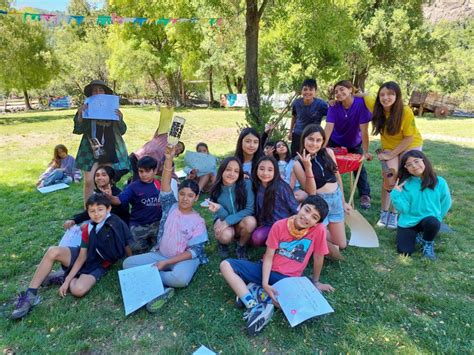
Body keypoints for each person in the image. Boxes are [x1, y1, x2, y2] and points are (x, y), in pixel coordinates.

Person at [220, 195, 334, 336]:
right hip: (265, 270)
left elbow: (318, 257)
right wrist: (265, 283)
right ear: (299, 207)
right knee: (225, 265)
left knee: (301, 311)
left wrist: (316, 282)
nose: (307, 217)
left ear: (317, 223)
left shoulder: (319, 231)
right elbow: (268, 257)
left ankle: (255, 292)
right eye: (307, 210)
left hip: (289, 280)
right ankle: (253, 304)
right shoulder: (279, 225)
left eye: (314, 217)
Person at [11, 194, 132, 320]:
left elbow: (126, 243)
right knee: (53, 251)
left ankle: (63, 276)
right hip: (85, 255)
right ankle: (30, 295)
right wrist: (68, 281)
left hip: (100, 263)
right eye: (92, 211)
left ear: (108, 209)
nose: (96, 214)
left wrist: (130, 262)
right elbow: (82, 256)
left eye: (100, 210)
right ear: (88, 213)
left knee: (78, 290)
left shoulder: (116, 222)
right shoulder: (88, 228)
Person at [122, 145, 208, 313]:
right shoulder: (170, 207)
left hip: (182, 260)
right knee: (127, 264)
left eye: (190, 196)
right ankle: (159, 282)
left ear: (196, 198)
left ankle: (153, 279)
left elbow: (194, 252)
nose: (185, 199)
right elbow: (166, 183)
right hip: (160, 254)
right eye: (182, 194)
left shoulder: (198, 221)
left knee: (181, 279)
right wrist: (169, 159)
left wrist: (166, 263)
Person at [365, 81, 423, 229]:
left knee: (403, 176)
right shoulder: (376, 107)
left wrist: (391, 155)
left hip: (409, 144)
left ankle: (394, 212)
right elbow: (363, 95)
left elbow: (409, 138)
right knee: (389, 175)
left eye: (390, 94)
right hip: (389, 147)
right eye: (382, 94)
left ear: (397, 95)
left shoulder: (405, 111)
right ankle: (384, 212)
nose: (386, 97)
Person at [293, 124, 352, 258]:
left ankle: (314, 236)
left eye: (318, 140)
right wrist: (308, 167)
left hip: (336, 199)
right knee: (331, 248)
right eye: (311, 139)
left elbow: (337, 178)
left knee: (341, 244)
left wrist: (343, 202)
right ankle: (313, 235)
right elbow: (311, 192)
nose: (314, 143)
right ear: (304, 140)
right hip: (319, 202)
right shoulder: (297, 163)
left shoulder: (328, 153)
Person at [73, 80, 130, 204]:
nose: (97, 92)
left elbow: (122, 130)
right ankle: (88, 209)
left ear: (105, 93)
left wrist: (120, 119)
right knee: (89, 181)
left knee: (106, 181)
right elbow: (78, 130)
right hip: (90, 150)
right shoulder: (86, 108)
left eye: (100, 90)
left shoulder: (112, 109)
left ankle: (105, 207)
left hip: (109, 149)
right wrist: (80, 116)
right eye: (94, 90)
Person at [391, 151, 451, 260]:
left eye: (416, 161)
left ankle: (427, 243)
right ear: (406, 168)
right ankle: (417, 235)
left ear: (424, 160)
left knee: (433, 222)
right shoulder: (405, 184)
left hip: (428, 220)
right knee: (404, 251)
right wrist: (396, 194)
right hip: (409, 221)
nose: (414, 166)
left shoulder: (440, 182)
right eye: (409, 164)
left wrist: (438, 218)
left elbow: (446, 202)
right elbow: (403, 210)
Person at [325, 80, 373, 209]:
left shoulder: (361, 104)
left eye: (342, 89)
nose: (339, 93)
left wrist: (366, 151)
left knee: (359, 167)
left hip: (354, 142)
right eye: (336, 92)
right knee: (328, 165)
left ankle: (365, 194)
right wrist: (322, 147)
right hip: (336, 140)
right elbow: (328, 128)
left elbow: (364, 131)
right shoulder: (334, 106)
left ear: (350, 89)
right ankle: (327, 190)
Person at [105, 156, 162, 254]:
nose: (144, 174)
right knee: (134, 248)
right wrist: (109, 197)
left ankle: (152, 239)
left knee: (164, 245)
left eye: (147, 171)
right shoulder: (133, 187)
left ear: (155, 171)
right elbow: (118, 200)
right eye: (141, 171)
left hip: (157, 223)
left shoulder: (159, 184)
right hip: (139, 224)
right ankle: (146, 241)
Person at [207, 157, 256, 260]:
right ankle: (223, 244)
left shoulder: (246, 184)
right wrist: (220, 209)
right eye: (228, 169)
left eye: (236, 171)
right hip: (223, 218)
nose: (231, 174)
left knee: (251, 222)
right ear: (222, 170)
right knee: (225, 236)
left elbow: (249, 209)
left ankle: (241, 246)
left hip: (241, 220)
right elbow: (222, 216)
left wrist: (228, 222)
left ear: (240, 174)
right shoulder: (216, 189)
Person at [250, 156, 299, 246]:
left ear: (275, 172)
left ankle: (282, 241)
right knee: (256, 238)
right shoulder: (257, 186)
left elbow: (294, 208)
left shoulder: (281, 187)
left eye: (270, 170)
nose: (265, 173)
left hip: (284, 226)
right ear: (256, 170)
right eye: (261, 169)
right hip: (268, 225)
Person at [64, 165, 130, 229]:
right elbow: (89, 211)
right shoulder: (97, 194)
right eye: (97, 175)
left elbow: (117, 215)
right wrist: (74, 220)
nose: (99, 178)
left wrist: (92, 225)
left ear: (112, 179)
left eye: (104, 175)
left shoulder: (118, 194)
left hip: (117, 227)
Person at [289, 79, 328, 157]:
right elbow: (294, 117)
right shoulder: (296, 103)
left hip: (313, 137)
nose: (307, 92)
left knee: (311, 157)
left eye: (311, 89)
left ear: (315, 91)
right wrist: (290, 132)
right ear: (301, 91)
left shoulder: (321, 104)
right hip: (298, 135)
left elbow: (331, 118)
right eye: (305, 89)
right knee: (295, 157)